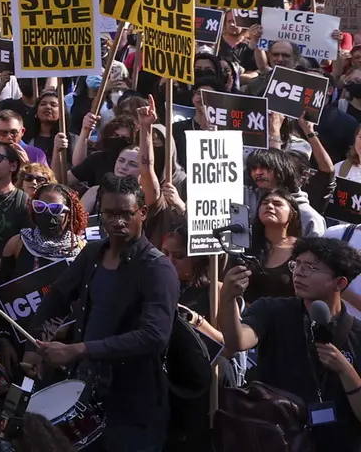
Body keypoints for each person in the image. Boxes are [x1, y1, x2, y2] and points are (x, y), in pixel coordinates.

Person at [28, 174, 178, 452]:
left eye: (125, 214)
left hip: (134, 403)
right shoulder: (93, 253)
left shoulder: (157, 269)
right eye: (109, 213)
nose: (117, 222)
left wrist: (78, 349)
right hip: (86, 391)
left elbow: (153, 337)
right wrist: (35, 345)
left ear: (142, 213)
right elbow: (58, 298)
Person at [214, 235, 361, 452]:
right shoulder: (272, 310)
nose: (299, 272)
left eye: (311, 267)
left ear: (340, 282)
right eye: (297, 264)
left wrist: (345, 370)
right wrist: (226, 300)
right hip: (277, 439)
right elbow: (237, 341)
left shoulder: (357, 333)